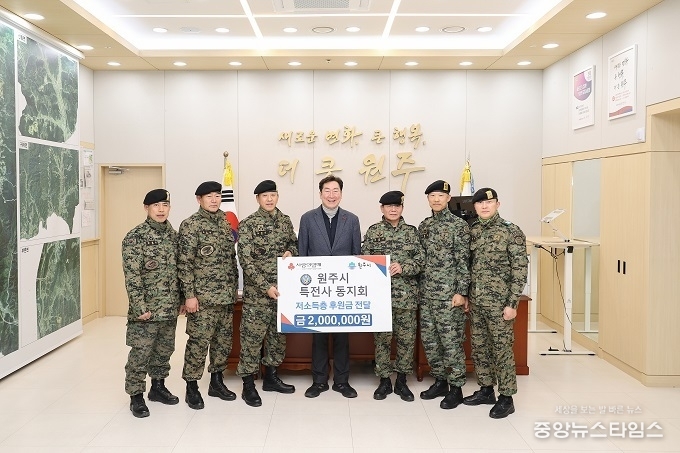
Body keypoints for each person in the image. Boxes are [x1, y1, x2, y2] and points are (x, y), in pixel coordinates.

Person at [463, 187, 528, 419]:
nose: (484, 206)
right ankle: (486, 389)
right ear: (475, 206)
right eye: (480, 203)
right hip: (478, 302)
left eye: (489, 202)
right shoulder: (473, 230)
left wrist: (512, 303)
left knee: (502, 350)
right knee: (479, 348)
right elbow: (469, 267)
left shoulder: (511, 231)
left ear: (497, 204)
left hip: (500, 304)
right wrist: (468, 296)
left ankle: (507, 397)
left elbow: (520, 269)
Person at [298, 175, 361, 398]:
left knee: (342, 335)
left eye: (336, 191)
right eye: (327, 190)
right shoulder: (307, 218)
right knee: (319, 336)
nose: (331, 195)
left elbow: (357, 255)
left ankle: (342, 381)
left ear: (341, 194)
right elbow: (302, 254)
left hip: (343, 289)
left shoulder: (352, 220)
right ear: (320, 194)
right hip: (317, 289)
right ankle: (319, 381)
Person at [178, 181, 239, 410]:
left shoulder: (225, 221)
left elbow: (230, 259)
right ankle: (191, 387)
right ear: (199, 199)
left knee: (222, 342)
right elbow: (184, 264)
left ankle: (216, 382)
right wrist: (189, 295)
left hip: (225, 296)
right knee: (198, 343)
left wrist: (233, 289)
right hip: (202, 299)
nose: (214, 200)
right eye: (209, 196)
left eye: (217, 196)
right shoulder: (190, 225)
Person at [236, 180, 298, 407]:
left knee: (277, 337)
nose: (269, 199)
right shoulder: (249, 224)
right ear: (258, 199)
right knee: (251, 339)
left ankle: (271, 377)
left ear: (277, 197)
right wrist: (265, 287)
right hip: (258, 295)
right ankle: (248, 385)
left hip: (282, 291)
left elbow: (294, 243)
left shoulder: (285, 221)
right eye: (265, 196)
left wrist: (291, 251)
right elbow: (246, 261)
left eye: (273, 195)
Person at [122, 188, 183, 418]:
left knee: (164, 350)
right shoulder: (135, 237)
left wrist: (180, 300)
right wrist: (140, 307)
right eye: (156, 205)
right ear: (146, 208)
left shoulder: (174, 236)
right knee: (141, 353)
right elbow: (132, 276)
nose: (161, 210)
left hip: (169, 307)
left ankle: (158, 387)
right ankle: (136, 396)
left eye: (165, 205)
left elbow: (179, 271)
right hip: (146, 309)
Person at [361, 190, 423, 402]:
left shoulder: (412, 232)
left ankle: (402, 381)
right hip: (381, 298)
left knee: (406, 340)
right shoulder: (373, 231)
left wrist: (404, 267)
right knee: (382, 341)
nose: (393, 209)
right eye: (389, 206)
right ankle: (384, 380)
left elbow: (421, 261)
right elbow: (364, 261)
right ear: (382, 208)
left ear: (402, 208)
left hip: (406, 298)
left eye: (397, 206)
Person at [417, 180, 471, 409]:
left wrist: (462, 292)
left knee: (451, 342)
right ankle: (440, 381)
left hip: (449, 296)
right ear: (428, 199)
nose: (437, 199)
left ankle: (456, 387)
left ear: (449, 198)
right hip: (427, 294)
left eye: (441, 195)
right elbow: (420, 260)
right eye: (433, 196)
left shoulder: (459, 226)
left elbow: (464, 261)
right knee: (430, 341)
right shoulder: (425, 225)